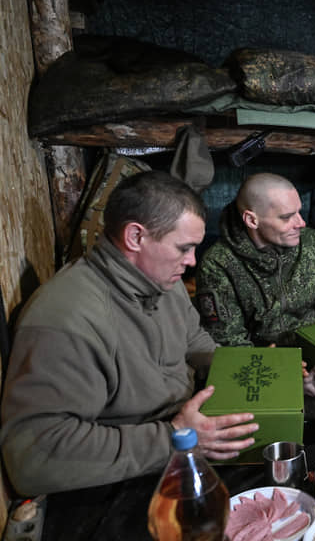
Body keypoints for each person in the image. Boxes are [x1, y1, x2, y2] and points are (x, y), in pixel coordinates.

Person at [0, 171, 258, 496]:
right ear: (136, 237)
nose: (192, 261)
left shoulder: (162, 281)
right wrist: (174, 437)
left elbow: (194, 340)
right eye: (183, 248)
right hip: (118, 482)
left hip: (178, 445)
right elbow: (33, 457)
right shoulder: (67, 319)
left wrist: (263, 371)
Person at [194, 173, 315, 405]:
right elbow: (230, 345)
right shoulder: (218, 265)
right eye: (287, 217)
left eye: (299, 211)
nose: (301, 223)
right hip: (261, 368)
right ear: (252, 220)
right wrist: (286, 377)